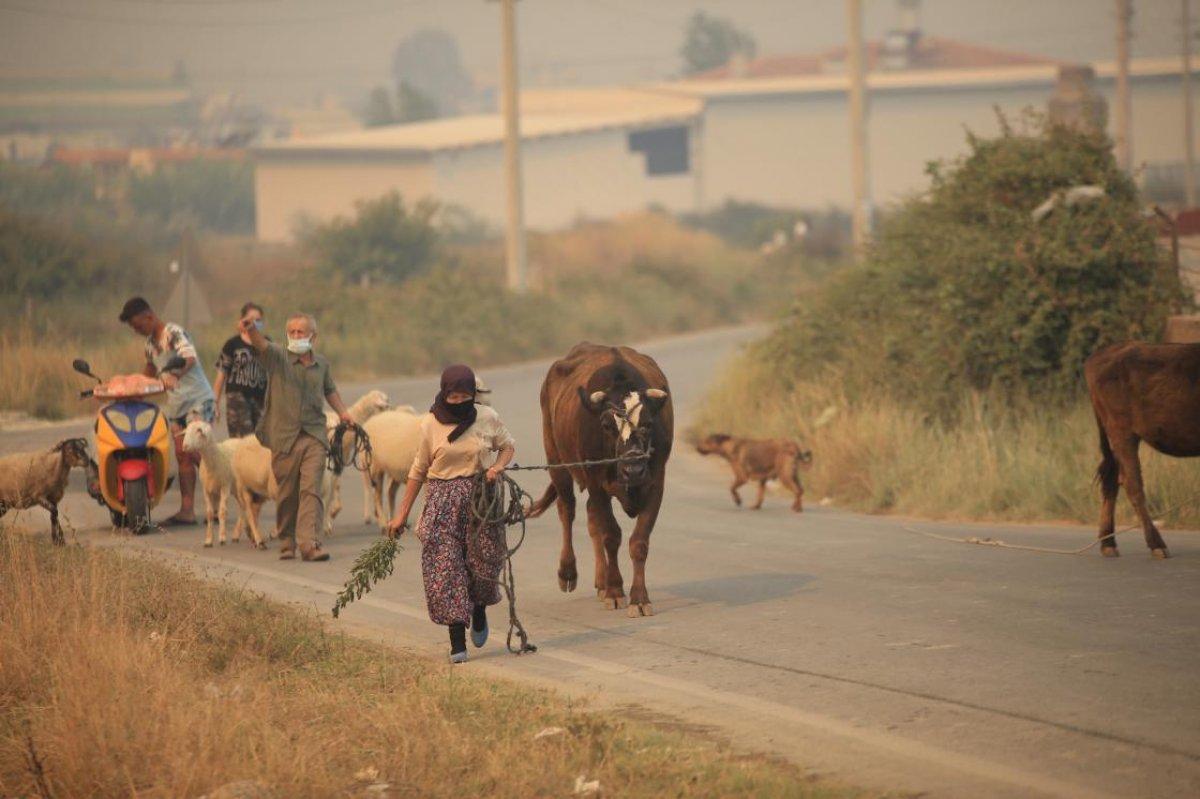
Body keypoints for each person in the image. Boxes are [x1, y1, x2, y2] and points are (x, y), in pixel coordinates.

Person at [386, 364, 515, 664]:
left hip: (481, 497)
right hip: (442, 500)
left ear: (473, 394)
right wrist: (400, 514)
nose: (459, 402)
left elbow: (507, 446)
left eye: (464, 396)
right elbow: (418, 470)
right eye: (453, 397)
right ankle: (457, 638)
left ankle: (479, 607)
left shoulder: (487, 417)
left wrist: (497, 467)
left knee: (485, 560)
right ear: (444, 394)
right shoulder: (430, 424)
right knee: (445, 568)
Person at [240, 311, 351, 562]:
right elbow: (262, 345)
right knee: (287, 493)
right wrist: (251, 330)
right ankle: (287, 539)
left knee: (311, 489)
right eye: (292, 332)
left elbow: (330, 390)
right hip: (284, 437)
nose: (296, 336)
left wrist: (344, 413)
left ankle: (309, 543)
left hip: (314, 434)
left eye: (301, 332)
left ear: (313, 336)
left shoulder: (321, 364)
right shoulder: (278, 357)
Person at [120, 296, 214, 527]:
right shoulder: (150, 346)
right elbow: (149, 373)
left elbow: (189, 358)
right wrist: (131, 391)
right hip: (177, 406)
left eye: (139, 326)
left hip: (197, 400)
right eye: (134, 329)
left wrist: (176, 375)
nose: (138, 331)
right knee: (182, 455)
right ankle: (187, 510)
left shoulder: (173, 333)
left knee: (196, 453)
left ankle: (221, 499)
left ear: (149, 316)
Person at [213, 302, 269, 438]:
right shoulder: (233, 344)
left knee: (262, 441)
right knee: (243, 441)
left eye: (258, 320)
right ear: (242, 321)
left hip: (260, 400)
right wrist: (214, 403)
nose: (254, 323)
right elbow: (221, 375)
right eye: (251, 320)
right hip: (237, 398)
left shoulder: (266, 343)